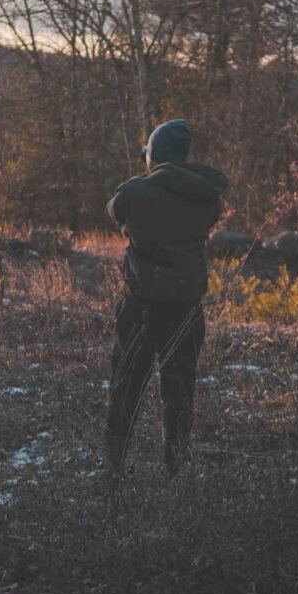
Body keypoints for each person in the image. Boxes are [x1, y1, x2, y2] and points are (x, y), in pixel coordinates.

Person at [105, 118, 227, 478]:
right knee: (178, 390)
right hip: (187, 309)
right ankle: (175, 467)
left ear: (154, 157)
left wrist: (145, 177)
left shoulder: (136, 193)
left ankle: (115, 468)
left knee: (127, 386)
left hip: (141, 307)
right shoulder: (207, 197)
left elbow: (115, 209)